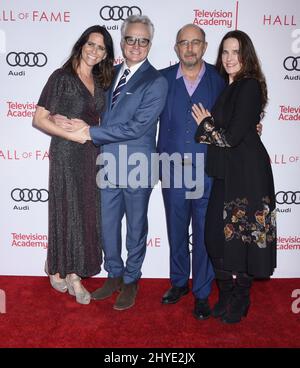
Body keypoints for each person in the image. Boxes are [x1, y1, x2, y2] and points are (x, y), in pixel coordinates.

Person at [56, 15, 168, 311]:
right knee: (107, 226)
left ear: (149, 45)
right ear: (122, 42)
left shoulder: (156, 81)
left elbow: (137, 127)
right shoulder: (110, 73)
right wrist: (70, 120)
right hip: (106, 164)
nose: (136, 45)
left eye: (143, 40)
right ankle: (114, 274)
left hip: (137, 166)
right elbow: (93, 108)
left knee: (135, 228)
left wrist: (89, 132)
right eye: (130, 38)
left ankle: (131, 280)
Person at [192, 30, 276, 324]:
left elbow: (230, 137)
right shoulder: (229, 87)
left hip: (247, 174)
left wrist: (205, 124)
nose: (229, 58)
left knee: (245, 239)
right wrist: (211, 127)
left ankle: (241, 296)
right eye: (225, 52)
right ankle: (226, 292)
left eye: (236, 52)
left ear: (246, 55)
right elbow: (232, 131)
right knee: (215, 239)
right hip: (227, 172)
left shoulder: (249, 85)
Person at [33, 25, 115, 304]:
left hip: (92, 154)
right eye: (91, 44)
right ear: (81, 45)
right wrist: (71, 134)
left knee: (87, 212)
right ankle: (67, 271)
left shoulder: (103, 82)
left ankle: (69, 268)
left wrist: (90, 130)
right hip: (67, 153)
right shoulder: (62, 78)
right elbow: (39, 118)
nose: (95, 50)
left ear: (106, 54)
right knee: (67, 209)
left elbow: (104, 121)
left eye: (101, 47)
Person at [157, 24, 225, 320]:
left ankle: (201, 293)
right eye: (183, 43)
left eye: (195, 42)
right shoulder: (161, 80)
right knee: (175, 229)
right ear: (176, 48)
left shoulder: (220, 81)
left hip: (207, 170)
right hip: (172, 169)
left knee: (203, 233)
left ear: (205, 47)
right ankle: (178, 283)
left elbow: (236, 118)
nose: (189, 48)